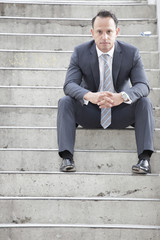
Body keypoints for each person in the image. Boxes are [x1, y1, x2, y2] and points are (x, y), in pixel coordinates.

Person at [57, 10, 154, 174]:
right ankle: (67, 158)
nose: (104, 37)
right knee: (65, 102)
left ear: (117, 32)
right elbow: (69, 85)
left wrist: (122, 97)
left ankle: (144, 159)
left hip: (119, 112)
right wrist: (90, 96)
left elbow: (143, 85)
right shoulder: (80, 53)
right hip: (92, 111)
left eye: (109, 31)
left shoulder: (131, 53)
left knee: (144, 103)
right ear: (92, 33)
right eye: (99, 32)